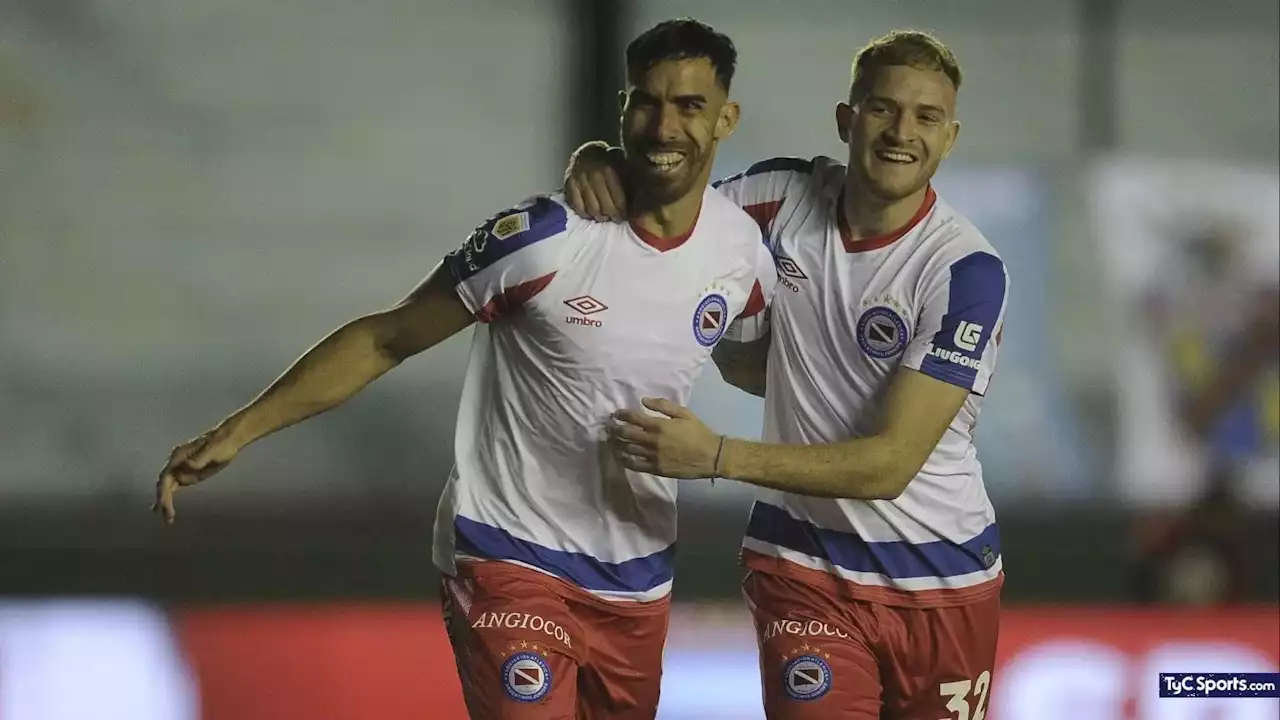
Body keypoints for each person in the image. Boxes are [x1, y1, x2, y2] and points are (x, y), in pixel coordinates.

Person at [153, 18, 776, 720]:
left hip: (635, 577)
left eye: (688, 106)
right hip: (507, 553)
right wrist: (240, 430)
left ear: (726, 118)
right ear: (624, 109)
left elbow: (752, 364)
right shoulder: (545, 239)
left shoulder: (740, 250)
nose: (664, 126)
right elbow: (387, 338)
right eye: (646, 102)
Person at [567, 30, 1009, 720]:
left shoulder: (964, 273)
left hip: (940, 576)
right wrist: (600, 161)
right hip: (800, 564)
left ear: (949, 138)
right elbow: (669, 197)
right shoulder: (779, 196)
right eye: (882, 109)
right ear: (846, 119)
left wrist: (715, 456)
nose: (902, 132)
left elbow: (890, 465)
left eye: (926, 118)